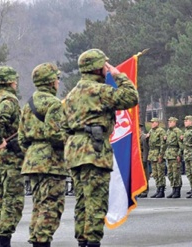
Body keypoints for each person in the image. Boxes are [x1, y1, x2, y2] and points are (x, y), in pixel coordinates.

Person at [62, 49, 139, 247]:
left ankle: (82, 240)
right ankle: (93, 242)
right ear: (97, 68)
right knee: (96, 200)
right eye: (104, 65)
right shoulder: (99, 91)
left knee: (81, 201)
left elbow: (63, 126)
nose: (106, 68)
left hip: (75, 152)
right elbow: (131, 97)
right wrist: (118, 75)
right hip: (94, 151)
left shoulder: (71, 95)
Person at [18, 63, 68, 247]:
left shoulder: (28, 104)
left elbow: (21, 138)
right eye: (56, 78)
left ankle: (36, 240)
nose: (58, 81)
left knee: (39, 206)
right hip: (51, 162)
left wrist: (33, 153)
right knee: (51, 207)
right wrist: (70, 139)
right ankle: (42, 242)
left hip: (32, 161)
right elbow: (54, 134)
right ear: (50, 81)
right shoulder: (54, 104)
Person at [0, 66, 25, 247]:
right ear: (9, 81)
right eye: (14, 79)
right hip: (9, 158)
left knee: (0, 202)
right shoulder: (8, 99)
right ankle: (4, 242)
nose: (16, 82)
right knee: (12, 203)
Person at [164, 117, 183, 198]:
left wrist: (179, 154)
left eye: (171, 122)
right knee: (170, 174)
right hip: (169, 155)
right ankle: (173, 189)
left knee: (176, 174)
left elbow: (181, 145)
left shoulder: (178, 131)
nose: (169, 123)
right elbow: (167, 143)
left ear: (175, 122)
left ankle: (177, 190)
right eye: (169, 121)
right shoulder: (168, 131)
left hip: (175, 154)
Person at [146, 118, 166, 198]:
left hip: (158, 153)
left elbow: (163, 144)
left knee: (160, 173)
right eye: (151, 122)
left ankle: (161, 190)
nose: (152, 124)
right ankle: (158, 189)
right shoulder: (151, 131)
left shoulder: (161, 131)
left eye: (153, 122)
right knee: (155, 174)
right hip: (152, 154)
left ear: (157, 123)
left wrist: (161, 155)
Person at [138, 124, 150, 198]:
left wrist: (145, 159)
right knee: (139, 176)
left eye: (138, 128)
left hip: (143, 157)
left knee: (145, 175)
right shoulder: (135, 136)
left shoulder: (143, 137)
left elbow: (145, 149)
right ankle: (140, 190)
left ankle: (145, 191)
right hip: (137, 158)